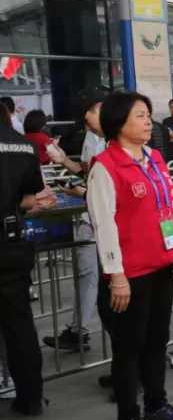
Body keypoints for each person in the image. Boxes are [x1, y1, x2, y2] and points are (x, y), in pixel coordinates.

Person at [86, 89, 173, 420]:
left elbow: (169, 210)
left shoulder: (156, 158)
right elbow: (104, 225)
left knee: (157, 341)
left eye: (148, 115)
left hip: (161, 266)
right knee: (129, 347)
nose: (149, 122)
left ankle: (157, 405)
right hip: (130, 275)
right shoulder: (105, 166)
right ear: (119, 123)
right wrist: (116, 276)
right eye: (140, 116)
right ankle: (128, 419)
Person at [43, 87, 109, 352]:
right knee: (87, 274)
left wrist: (82, 193)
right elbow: (86, 171)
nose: (86, 125)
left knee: (103, 277)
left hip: (107, 220)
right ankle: (78, 330)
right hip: (91, 216)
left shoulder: (123, 140)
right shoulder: (92, 137)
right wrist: (62, 160)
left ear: (99, 108)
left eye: (86, 118)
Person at [0, 99, 49, 416]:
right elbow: (30, 199)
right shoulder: (24, 146)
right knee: (19, 322)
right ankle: (31, 397)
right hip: (11, 242)